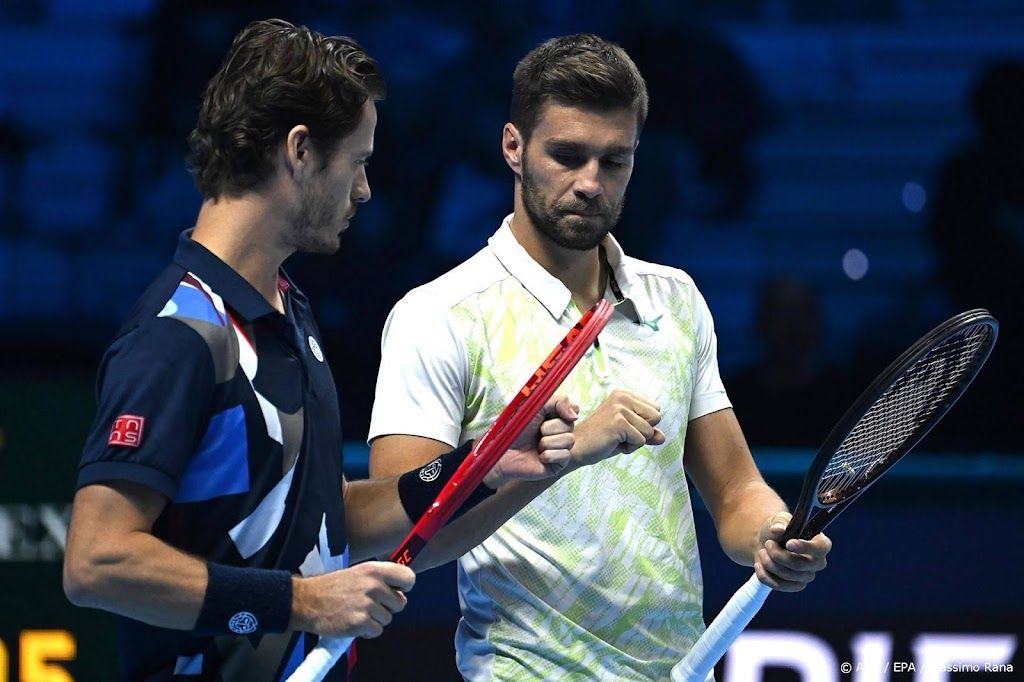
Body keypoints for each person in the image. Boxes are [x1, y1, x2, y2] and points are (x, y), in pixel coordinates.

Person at [62, 20, 630, 681]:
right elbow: (97, 563)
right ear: (300, 151)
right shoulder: (178, 335)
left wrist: (484, 463)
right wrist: (302, 602)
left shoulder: (286, 308)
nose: (364, 191)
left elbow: (330, 521)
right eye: (358, 163)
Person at [368, 34, 833, 680]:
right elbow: (403, 538)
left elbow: (734, 493)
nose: (590, 183)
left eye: (614, 161)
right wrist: (567, 451)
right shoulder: (438, 315)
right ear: (513, 147)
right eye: (567, 155)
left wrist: (772, 534)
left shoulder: (677, 301)